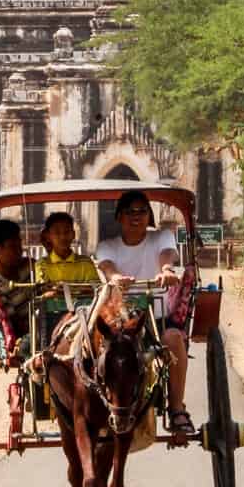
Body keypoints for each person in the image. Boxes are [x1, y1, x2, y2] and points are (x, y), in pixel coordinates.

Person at [94, 189, 194, 442]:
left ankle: (177, 408)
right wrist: (115, 278)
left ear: (149, 216)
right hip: (121, 323)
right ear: (119, 217)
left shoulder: (162, 237)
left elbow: (166, 256)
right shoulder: (108, 245)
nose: (136, 216)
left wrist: (167, 270)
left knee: (173, 338)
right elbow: (107, 266)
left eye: (142, 211)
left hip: (156, 318)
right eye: (129, 211)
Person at [0, 217, 30, 357]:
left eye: (20, 245)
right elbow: (11, 320)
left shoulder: (31, 267)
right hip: (28, 334)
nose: (20, 251)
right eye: (13, 247)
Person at [35, 212, 100, 285]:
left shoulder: (86, 263)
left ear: (73, 234)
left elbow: (95, 289)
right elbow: (43, 290)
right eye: (57, 232)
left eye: (67, 231)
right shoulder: (42, 264)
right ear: (48, 236)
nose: (63, 237)